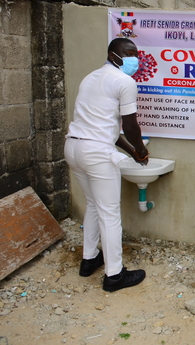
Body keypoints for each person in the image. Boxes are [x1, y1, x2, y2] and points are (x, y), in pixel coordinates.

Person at [65, 38, 149, 292]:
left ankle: (89, 260)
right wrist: (141, 149)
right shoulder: (125, 82)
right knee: (110, 213)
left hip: (74, 147)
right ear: (114, 55)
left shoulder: (90, 78)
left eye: (136, 54)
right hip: (97, 154)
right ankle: (115, 275)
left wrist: (131, 151)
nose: (134, 59)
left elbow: (104, 128)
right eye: (128, 53)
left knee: (93, 204)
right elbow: (130, 126)